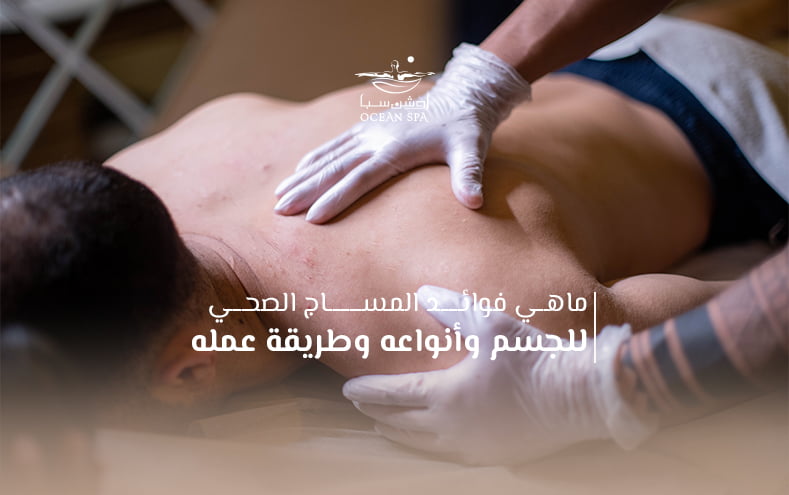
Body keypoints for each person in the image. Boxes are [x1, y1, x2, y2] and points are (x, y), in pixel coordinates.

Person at [1, 9, 785, 465]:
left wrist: (593, 382)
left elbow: (743, 313)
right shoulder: (129, 185)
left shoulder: (449, 322)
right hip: (575, 55)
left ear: (187, 373)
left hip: (732, 127)